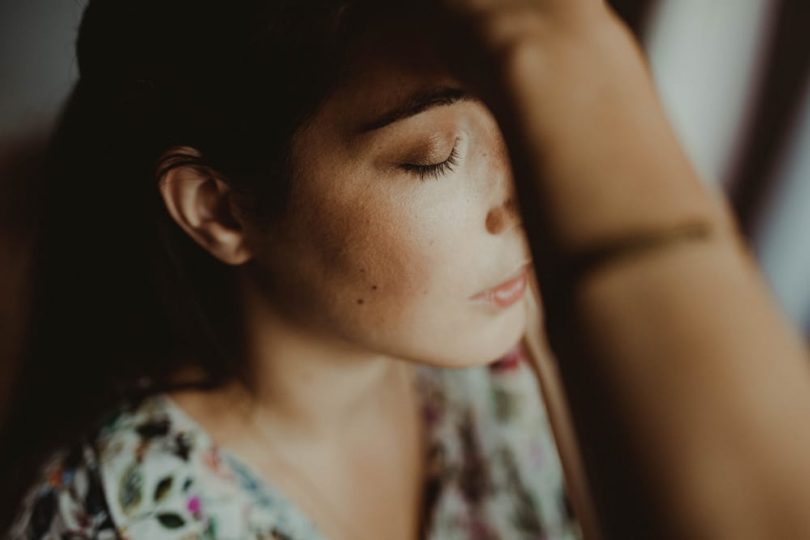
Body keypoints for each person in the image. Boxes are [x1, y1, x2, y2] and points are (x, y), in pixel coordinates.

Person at [4, 1, 810, 539]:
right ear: (218, 209)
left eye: (513, 125)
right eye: (435, 157)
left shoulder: (508, 361)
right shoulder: (109, 519)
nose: (524, 195)